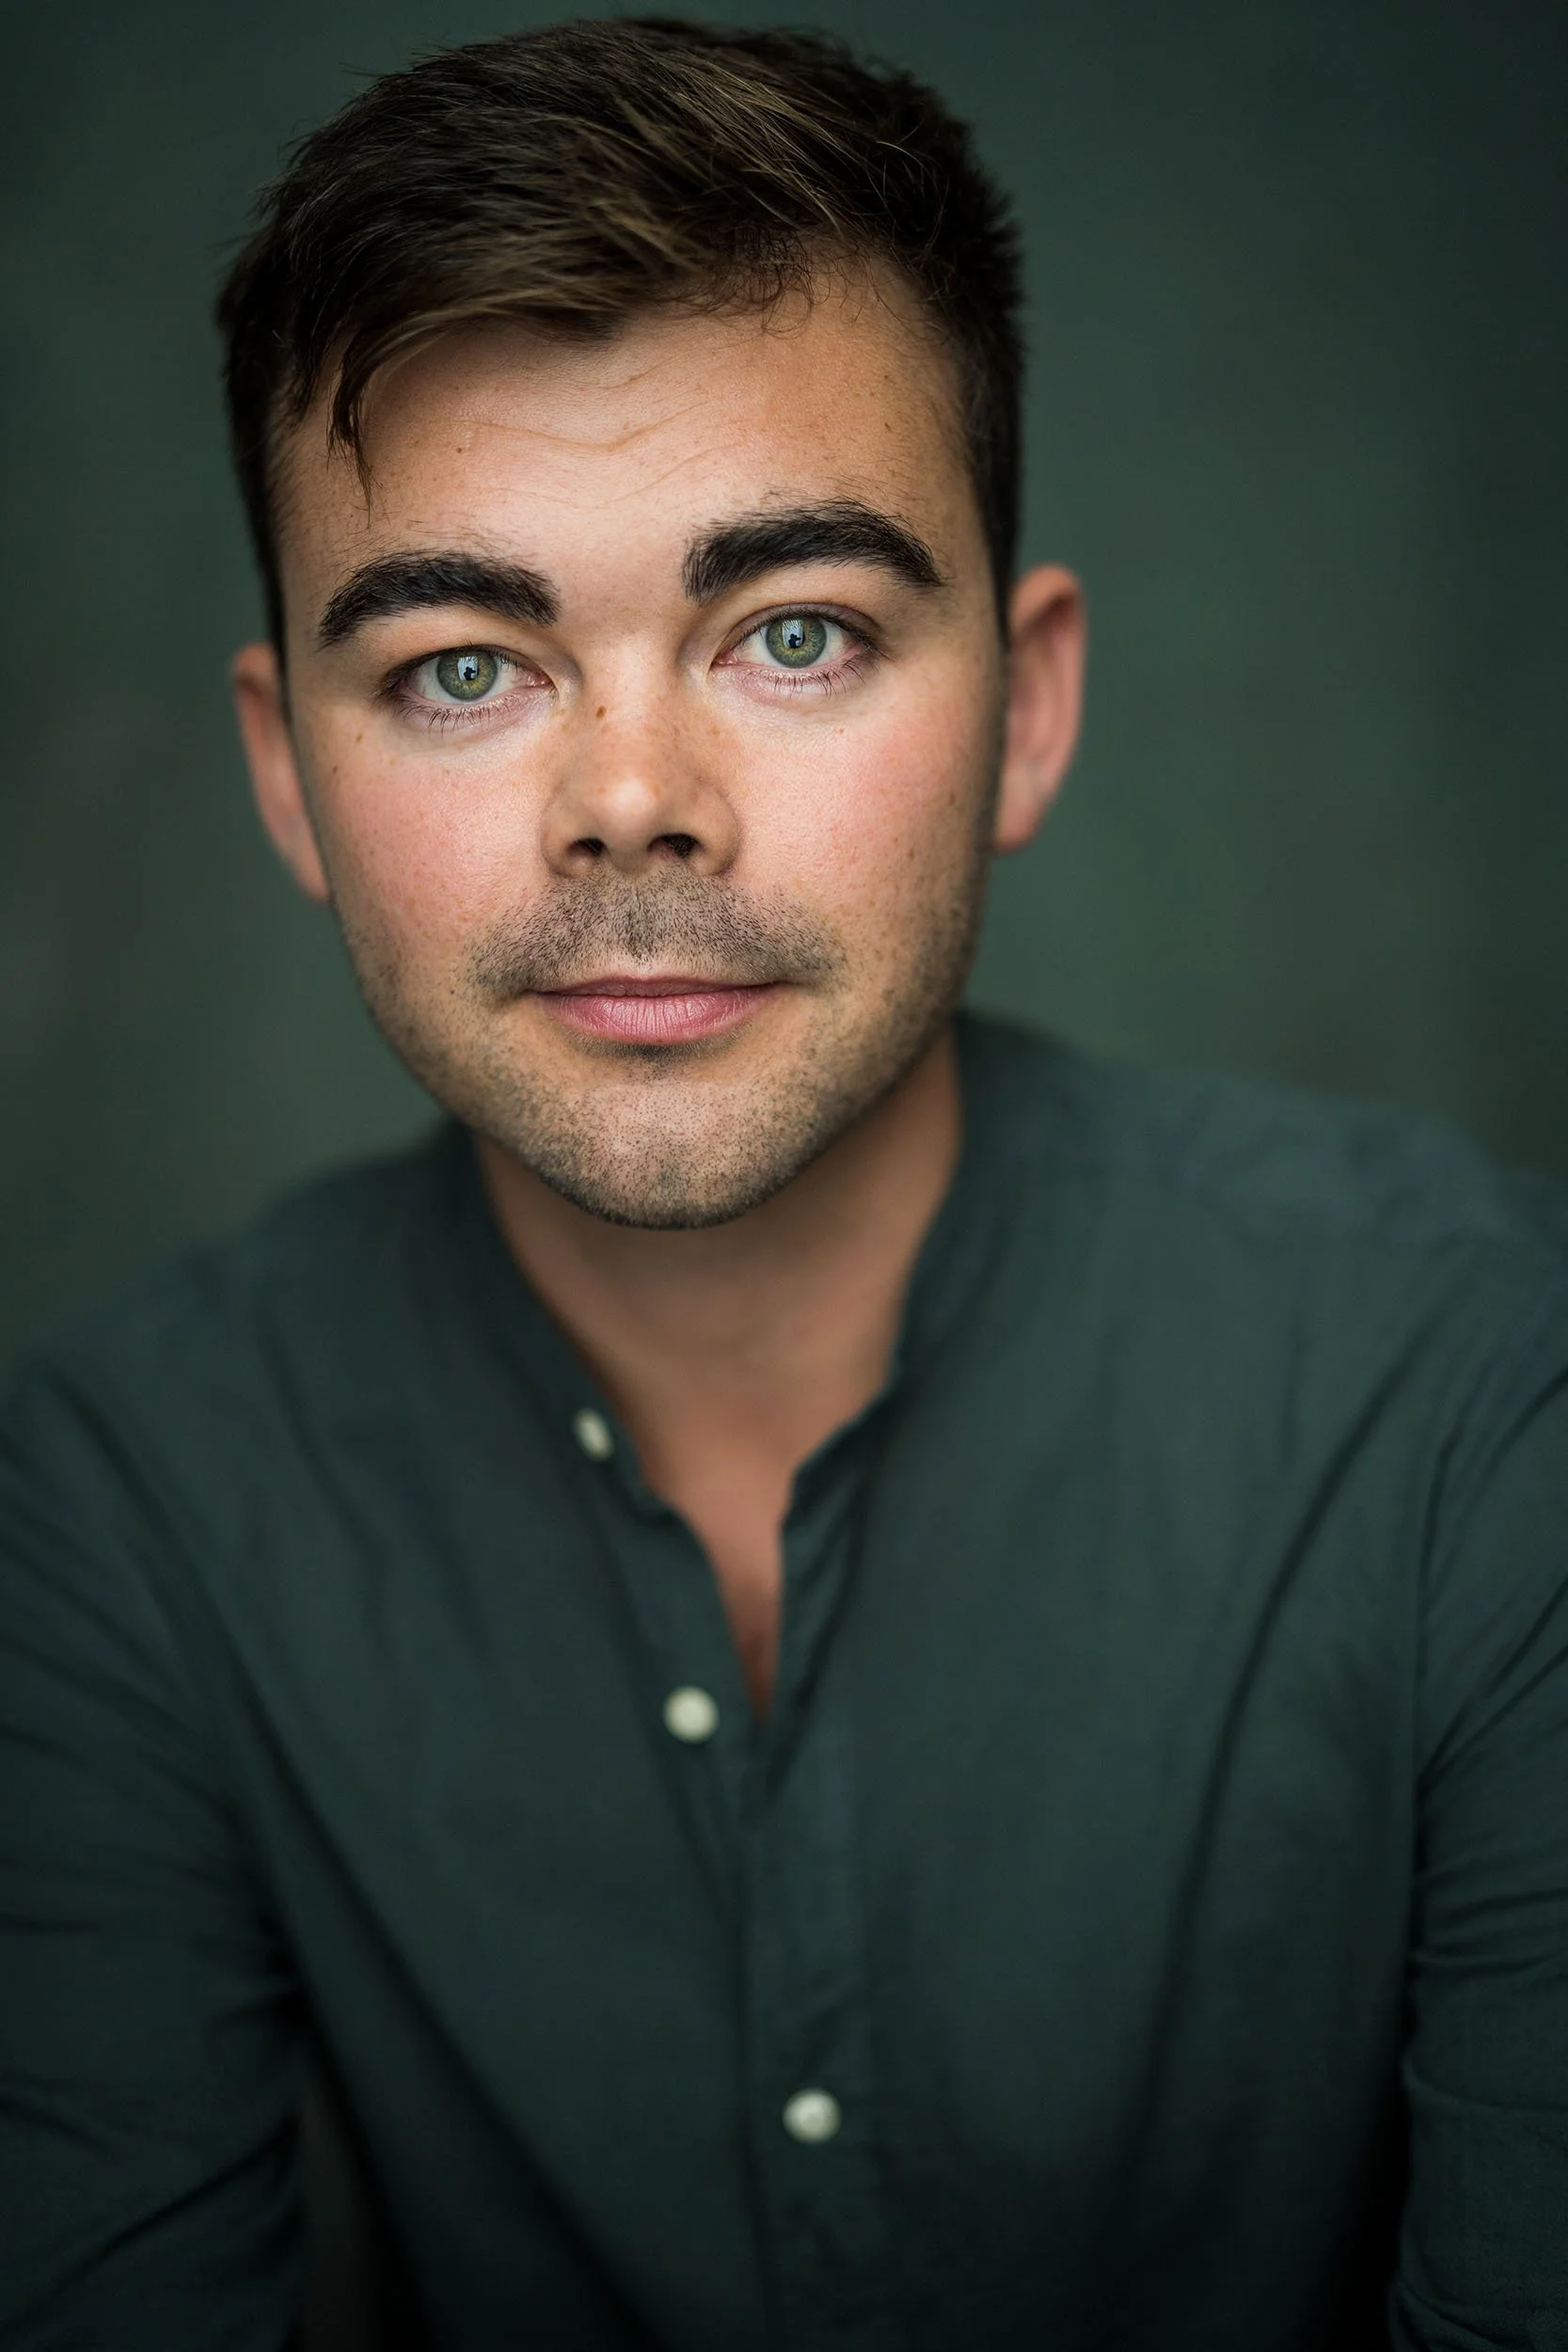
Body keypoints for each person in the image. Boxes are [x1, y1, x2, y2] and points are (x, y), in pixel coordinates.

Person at [1, 18, 1564, 2349]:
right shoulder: (117, 1502)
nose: (632, 800)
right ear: (288, 774)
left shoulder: (1478, 1394)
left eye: (795, 632)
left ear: (1026, 706)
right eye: (459, 667)